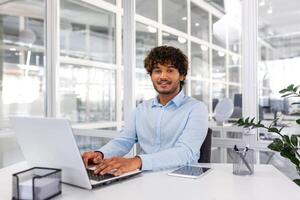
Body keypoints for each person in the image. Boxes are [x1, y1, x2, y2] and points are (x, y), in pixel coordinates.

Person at [82, 46, 208, 176]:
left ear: (182, 76)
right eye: (157, 71)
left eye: (170, 70)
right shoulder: (141, 109)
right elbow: (124, 141)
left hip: (181, 178)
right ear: (151, 75)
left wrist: (137, 161)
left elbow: (185, 152)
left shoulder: (196, 109)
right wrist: (100, 154)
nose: (163, 76)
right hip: (143, 176)